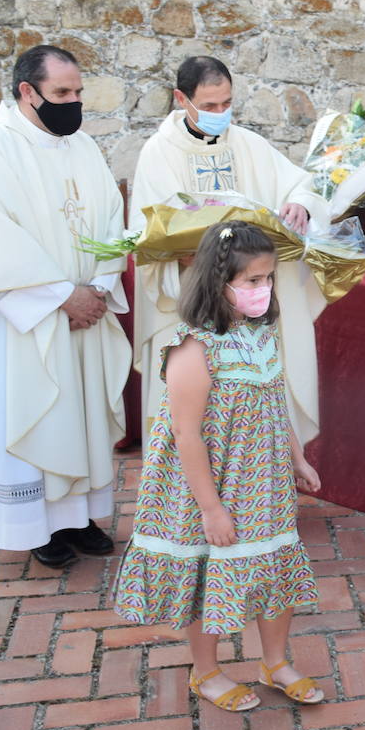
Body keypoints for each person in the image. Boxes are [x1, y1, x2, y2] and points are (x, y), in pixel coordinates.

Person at [0, 44, 131, 568]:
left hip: (86, 314)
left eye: (79, 92)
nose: (74, 103)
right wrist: (62, 296)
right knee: (33, 411)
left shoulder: (82, 148)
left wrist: (100, 285)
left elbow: (109, 219)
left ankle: (78, 517)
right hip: (21, 323)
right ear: (26, 92)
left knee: (75, 414)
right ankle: (35, 525)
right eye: (63, 93)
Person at [113, 221, 324, 712]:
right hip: (209, 483)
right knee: (206, 573)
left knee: (274, 564)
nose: (263, 289)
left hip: (263, 477)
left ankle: (273, 660)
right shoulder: (193, 346)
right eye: (252, 281)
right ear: (217, 280)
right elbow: (185, 433)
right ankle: (205, 671)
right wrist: (210, 508)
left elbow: (274, 398)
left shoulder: (263, 330)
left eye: (268, 278)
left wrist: (296, 457)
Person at [131, 55, 328, 448]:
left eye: (227, 103)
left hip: (251, 305)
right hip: (194, 300)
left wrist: (300, 205)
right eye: (209, 106)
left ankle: (253, 479)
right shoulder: (159, 153)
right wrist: (181, 255)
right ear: (181, 100)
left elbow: (302, 185)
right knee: (194, 418)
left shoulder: (249, 143)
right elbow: (148, 235)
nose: (221, 113)